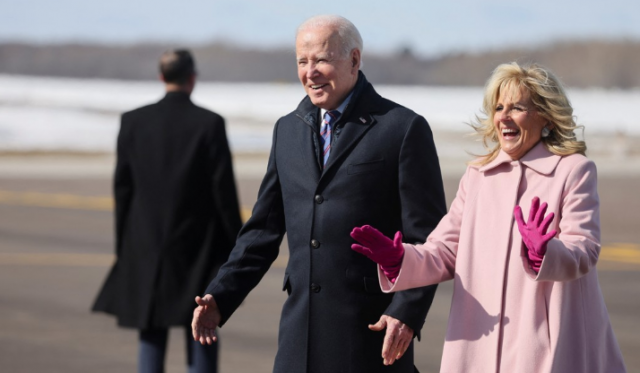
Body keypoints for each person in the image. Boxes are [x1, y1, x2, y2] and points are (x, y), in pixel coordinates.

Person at [191, 15, 447, 373]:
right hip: (299, 338)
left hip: (371, 336)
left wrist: (406, 313)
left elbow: (429, 239)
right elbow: (261, 232)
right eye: (302, 61)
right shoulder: (287, 131)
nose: (310, 72)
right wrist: (221, 295)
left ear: (354, 60)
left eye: (322, 60)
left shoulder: (402, 129)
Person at [351, 62, 627, 372]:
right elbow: (445, 250)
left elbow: (585, 249)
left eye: (517, 107)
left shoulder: (573, 170)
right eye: (499, 107)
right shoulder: (478, 176)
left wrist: (544, 253)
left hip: (544, 343)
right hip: (478, 343)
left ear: (546, 116)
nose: (504, 117)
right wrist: (400, 259)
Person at [92, 49, 243, 373]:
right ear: (192, 78)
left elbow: (123, 189)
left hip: (145, 245)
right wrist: (236, 248)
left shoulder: (133, 121)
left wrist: (125, 246)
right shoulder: (210, 124)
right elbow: (224, 193)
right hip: (199, 248)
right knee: (203, 328)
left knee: (151, 330)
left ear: (162, 77)